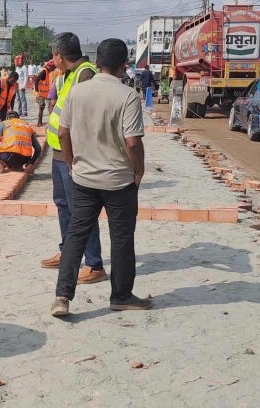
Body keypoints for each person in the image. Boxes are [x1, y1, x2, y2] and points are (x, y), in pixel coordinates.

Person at [51, 38, 148, 317]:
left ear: (96, 62)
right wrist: (138, 171)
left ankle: (62, 297)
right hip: (119, 180)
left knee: (75, 235)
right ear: (123, 65)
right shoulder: (127, 96)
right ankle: (121, 295)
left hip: (83, 178)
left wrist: (71, 163)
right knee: (122, 238)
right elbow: (132, 142)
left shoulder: (77, 92)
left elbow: (63, 133)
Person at [41, 33, 105, 284]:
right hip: (59, 152)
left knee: (81, 210)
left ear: (59, 55)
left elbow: (89, 118)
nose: (52, 60)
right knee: (63, 205)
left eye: (53, 55)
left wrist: (74, 157)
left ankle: (94, 264)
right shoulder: (68, 74)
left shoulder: (85, 75)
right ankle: (68, 252)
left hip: (75, 155)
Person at [33, 60, 55, 127]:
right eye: (53, 68)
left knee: (50, 106)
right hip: (40, 92)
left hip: (46, 92)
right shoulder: (44, 72)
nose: (53, 69)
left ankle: (51, 121)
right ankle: (39, 122)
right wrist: (37, 90)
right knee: (41, 107)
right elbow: (37, 80)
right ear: (49, 67)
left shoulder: (48, 72)